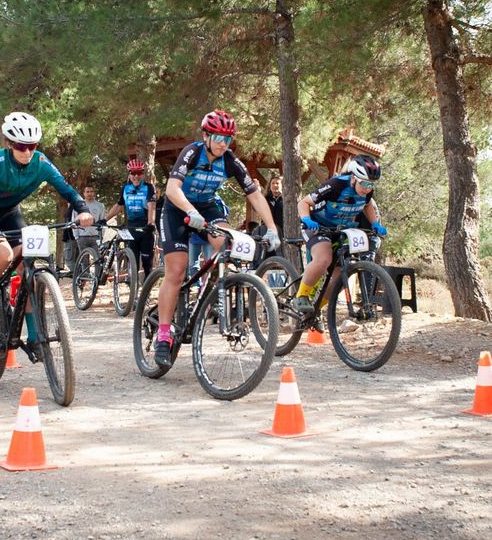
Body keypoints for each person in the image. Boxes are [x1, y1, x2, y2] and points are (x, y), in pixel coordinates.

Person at [0, 111, 93, 356]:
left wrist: (83, 209)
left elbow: (67, 189)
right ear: (10, 145)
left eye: (32, 146)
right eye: (21, 146)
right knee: (3, 255)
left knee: (27, 269)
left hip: (9, 211)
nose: (27, 152)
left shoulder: (40, 163)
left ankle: (34, 337)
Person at [154, 110, 280, 368]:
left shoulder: (231, 160)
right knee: (176, 272)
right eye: (218, 137)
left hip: (207, 208)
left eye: (228, 138)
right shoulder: (192, 152)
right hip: (177, 210)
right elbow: (171, 188)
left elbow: (254, 194)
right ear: (206, 136)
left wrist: (271, 228)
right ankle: (163, 335)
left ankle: (211, 287)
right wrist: (189, 211)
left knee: (228, 246)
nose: (223, 143)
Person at [293, 154, 386, 314]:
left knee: (341, 277)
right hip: (318, 226)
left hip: (340, 230)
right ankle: (301, 296)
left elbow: (367, 205)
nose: (367, 188)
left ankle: (315, 310)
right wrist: (307, 219)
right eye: (364, 183)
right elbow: (304, 202)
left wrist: (375, 223)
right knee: (324, 258)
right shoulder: (335, 185)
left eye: (371, 185)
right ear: (353, 178)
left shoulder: (366, 192)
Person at [105, 159, 157, 276]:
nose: (136, 176)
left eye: (139, 173)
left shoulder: (149, 187)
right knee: (132, 258)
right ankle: (133, 286)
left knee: (146, 260)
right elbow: (119, 205)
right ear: (129, 174)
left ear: (142, 174)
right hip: (131, 227)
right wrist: (105, 219)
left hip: (145, 227)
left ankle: (147, 288)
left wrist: (151, 223)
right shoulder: (125, 188)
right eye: (133, 173)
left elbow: (151, 205)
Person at [72, 185, 107, 256]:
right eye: (87, 192)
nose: (89, 193)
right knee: (84, 261)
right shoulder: (78, 205)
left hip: (95, 236)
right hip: (82, 237)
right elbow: (74, 221)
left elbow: (103, 221)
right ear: (84, 193)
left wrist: (101, 235)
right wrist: (76, 236)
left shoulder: (100, 206)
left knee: (98, 260)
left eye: (91, 191)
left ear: (94, 193)